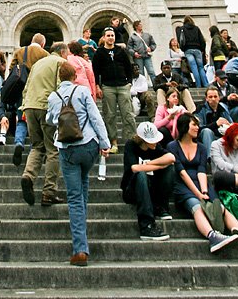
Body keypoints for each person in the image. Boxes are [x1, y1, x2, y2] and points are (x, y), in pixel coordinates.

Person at [46, 61, 110, 265]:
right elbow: (95, 117)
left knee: (74, 197)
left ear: (59, 77)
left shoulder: (53, 97)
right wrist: (105, 142)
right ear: (74, 76)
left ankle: (80, 249)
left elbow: (50, 120)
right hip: (89, 145)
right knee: (82, 186)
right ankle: (82, 235)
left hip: (67, 149)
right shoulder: (82, 91)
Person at [167, 113, 238, 253]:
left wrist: (205, 191)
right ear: (184, 126)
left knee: (220, 207)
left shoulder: (200, 147)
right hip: (183, 185)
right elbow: (181, 172)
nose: (197, 128)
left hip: (202, 183)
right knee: (197, 207)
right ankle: (213, 237)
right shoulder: (172, 146)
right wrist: (198, 194)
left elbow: (201, 170)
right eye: (194, 124)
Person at [20, 42, 68, 206]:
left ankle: (28, 176)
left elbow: (26, 88)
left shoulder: (37, 63)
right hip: (47, 108)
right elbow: (60, 87)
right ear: (62, 52)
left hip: (30, 107)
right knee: (53, 149)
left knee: (36, 146)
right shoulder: (60, 63)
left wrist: (25, 106)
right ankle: (49, 192)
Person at [121, 121, 175, 241]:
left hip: (152, 189)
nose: (155, 143)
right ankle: (147, 225)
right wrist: (160, 165)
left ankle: (161, 207)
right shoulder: (131, 145)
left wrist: (149, 163)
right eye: (152, 141)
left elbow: (171, 158)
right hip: (132, 190)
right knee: (141, 174)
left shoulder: (156, 146)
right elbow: (134, 168)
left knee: (170, 168)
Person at [92, 28, 136, 154]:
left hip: (123, 86)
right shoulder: (99, 53)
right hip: (108, 86)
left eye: (112, 35)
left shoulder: (121, 51)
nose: (111, 37)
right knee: (110, 116)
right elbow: (95, 72)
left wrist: (129, 83)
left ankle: (131, 142)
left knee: (128, 114)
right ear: (104, 38)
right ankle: (113, 142)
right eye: (108, 35)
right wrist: (97, 86)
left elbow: (129, 67)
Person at [177, 16, 208, 88]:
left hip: (188, 50)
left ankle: (198, 85)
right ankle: (206, 84)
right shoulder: (196, 28)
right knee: (200, 67)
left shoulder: (182, 29)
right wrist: (202, 49)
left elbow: (181, 40)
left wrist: (183, 49)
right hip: (198, 49)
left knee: (194, 67)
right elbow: (202, 40)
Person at [127, 20, 156, 86]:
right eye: (140, 24)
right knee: (141, 73)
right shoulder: (132, 37)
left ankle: (156, 85)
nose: (141, 25)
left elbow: (153, 44)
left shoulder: (147, 35)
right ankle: (143, 87)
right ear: (136, 26)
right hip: (138, 57)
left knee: (151, 71)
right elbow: (129, 47)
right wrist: (134, 53)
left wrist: (151, 48)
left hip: (147, 56)